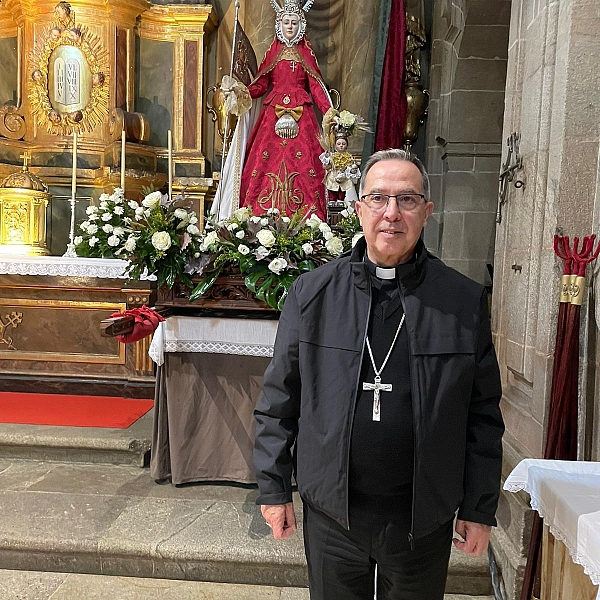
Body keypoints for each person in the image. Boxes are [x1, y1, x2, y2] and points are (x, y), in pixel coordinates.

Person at [253, 149, 505, 600]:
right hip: (334, 513)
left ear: (427, 212)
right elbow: (279, 400)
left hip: (421, 516)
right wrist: (273, 488)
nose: (392, 213)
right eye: (379, 198)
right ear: (358, 209)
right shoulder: (312, 295)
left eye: (408, 200)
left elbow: (482, 415)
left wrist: (479, 506)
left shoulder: (462, 301)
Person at [212, 0, 334, 222]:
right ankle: (256, 218)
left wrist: (330, 112)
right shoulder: (272, 54)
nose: (290, 27)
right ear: (279, 24)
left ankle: (308, 219)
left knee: (306, 165)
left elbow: (316, 87)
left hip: (302, 115)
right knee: (262, 162)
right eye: (286, 22)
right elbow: (260, 84)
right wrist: (242, 92)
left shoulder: (306, 55)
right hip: (272, 113)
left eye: (294, 22)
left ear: (301, 25)